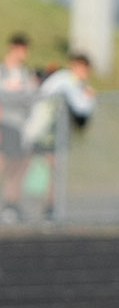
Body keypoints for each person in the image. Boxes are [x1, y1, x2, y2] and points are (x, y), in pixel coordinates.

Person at [22, 52, 96, 220]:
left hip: (54, 131)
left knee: (54, 169)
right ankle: (21, 205)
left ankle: (49, 207)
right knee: (34, 164)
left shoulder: (76, 82)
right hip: (45, 130)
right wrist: (89, 97)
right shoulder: (67, 79)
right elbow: (81, 107)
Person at [0, 33, 40, 223]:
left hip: (20, 127)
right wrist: (17, 94)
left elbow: (32, 95)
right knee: (4, 165)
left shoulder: (25, 73)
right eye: (20, 48)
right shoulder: (2, 71)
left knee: (17, 168)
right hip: (5, 124)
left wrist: (18, 92)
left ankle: (11, 205)